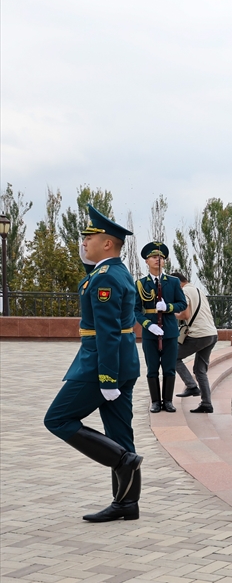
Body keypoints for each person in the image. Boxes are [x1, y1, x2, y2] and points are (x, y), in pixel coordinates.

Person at [44, 205, 143, 522]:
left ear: (108, 244)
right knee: (119, 433)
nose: (84, 244)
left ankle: (124, 461)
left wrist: (107, 378)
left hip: (99, 364)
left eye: (91, 238)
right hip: (122, 363)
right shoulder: (115, 272)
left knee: (57, 419)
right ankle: (127, 503)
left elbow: (108, 332)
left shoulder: (106, 279)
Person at [136, 242, 188, 412]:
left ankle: (168, 401)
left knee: (169, 368)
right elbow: (136, 310)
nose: (157, 260)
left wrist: (168, 307)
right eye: (153, 257)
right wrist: (148, 325)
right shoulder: (140, 284)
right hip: (150, 333)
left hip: (170, 331)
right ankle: (155, 402)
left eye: (161, 257)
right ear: (146, 261)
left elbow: (182, 304)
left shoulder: (172, 282)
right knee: (152, 369)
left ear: (164, 261)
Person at [173, 272, 218, 413]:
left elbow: (185, 314)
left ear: (179, 283)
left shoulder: (185, 291)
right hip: (212, 334)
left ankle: (191, 386)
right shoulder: (198, 290)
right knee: (200, 370)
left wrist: (171, 313)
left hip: (199, 335)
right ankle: (206, 403)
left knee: (173, 357)